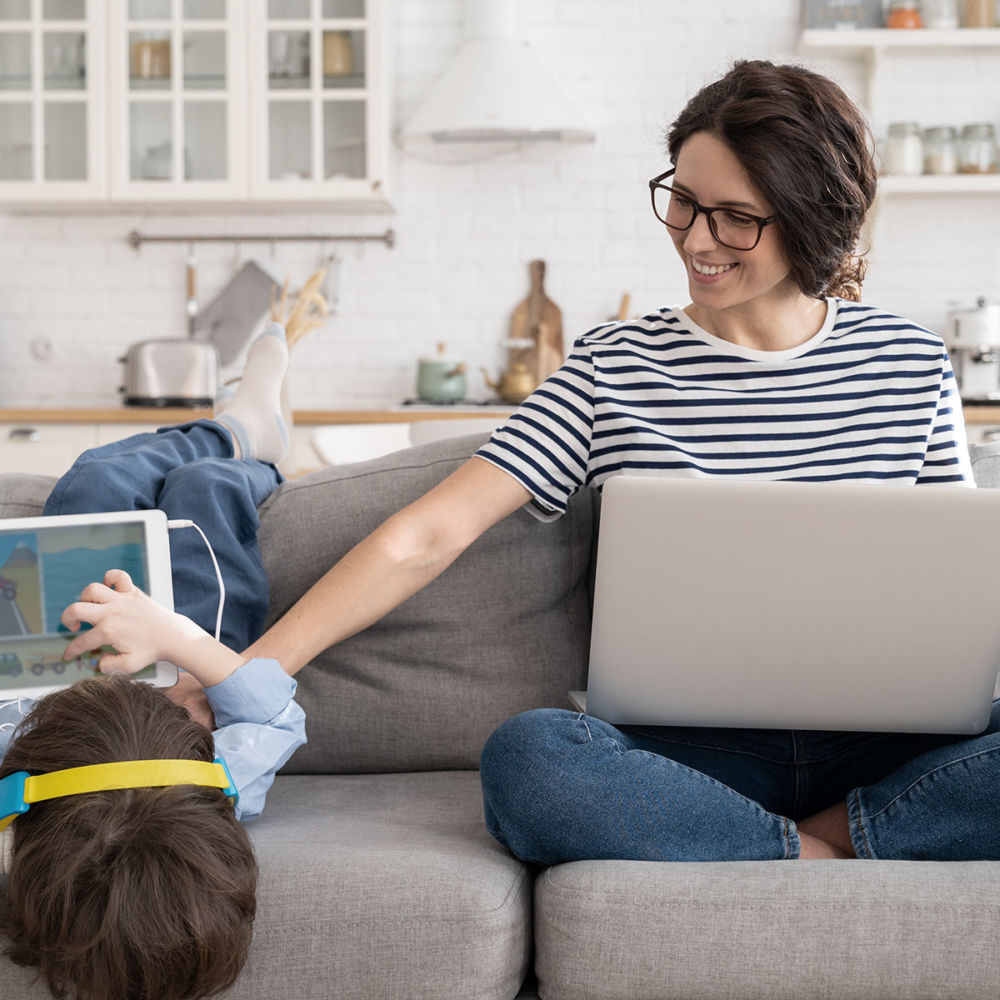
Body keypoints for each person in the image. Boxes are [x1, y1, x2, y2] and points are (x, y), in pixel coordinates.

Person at [90, 58, 1000, 869]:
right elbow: (429, 533)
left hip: (877, 741)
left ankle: (802, 841)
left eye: (734, 218)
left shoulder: (908, 362)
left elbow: (946, 588)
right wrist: (237, 672)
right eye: (680, 199)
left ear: (810, 219)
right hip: (685, 755)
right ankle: (841, 842)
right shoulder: (615, 363)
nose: (692, 238)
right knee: (530, 761)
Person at [0, 324, 306, 1000]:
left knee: (94, 479)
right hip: (183, 643)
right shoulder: (224, 785)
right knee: (205, 492)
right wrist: (176, 638)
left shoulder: (13, 794)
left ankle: (236, 425)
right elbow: (276, 715)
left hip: (63, 651)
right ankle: (245, 441)